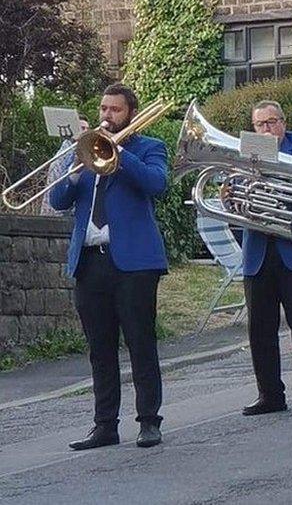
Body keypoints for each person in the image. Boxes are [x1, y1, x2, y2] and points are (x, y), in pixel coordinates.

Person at [50, 83, 168, 450]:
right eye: (103, 108)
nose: (106, 116)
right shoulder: (83, 151)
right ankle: (105, 425)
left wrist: (118, 152)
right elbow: (56, 200)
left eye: (115, 110)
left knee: (140, 343)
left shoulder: (149, 148)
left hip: (134, 263)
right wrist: (73, 167)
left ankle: (149, 420)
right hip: (90, 263)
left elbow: (156, 184)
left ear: (130, 113)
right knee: (100, 349)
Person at [237, 101, 292, 417]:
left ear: (283, 123)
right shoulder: (246, 151)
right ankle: (270, 394)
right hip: (258, 251)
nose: (265, 129)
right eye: (259, 124)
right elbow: (233, 191)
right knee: (259, 327)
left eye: (271, 122)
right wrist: (233, 192)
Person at [41, 116, 90, 216]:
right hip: (59, 212)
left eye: (87, 129)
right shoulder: (64, 153)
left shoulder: (87, 149)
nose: (85, 131)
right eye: (81, 128)